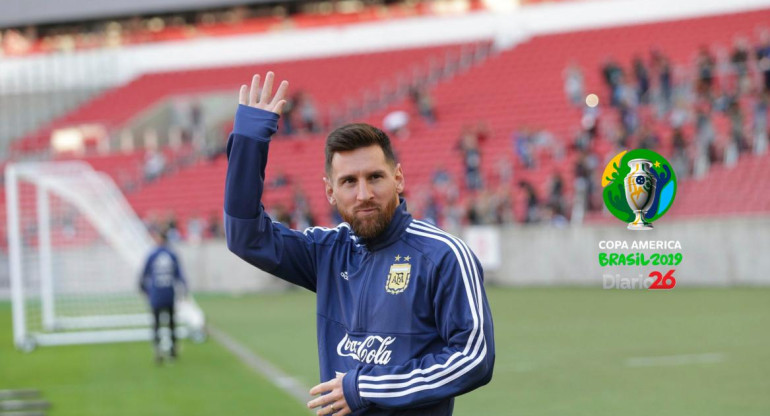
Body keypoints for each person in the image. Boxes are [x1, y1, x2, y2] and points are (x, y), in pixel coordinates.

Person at [225, 72, 494, 416]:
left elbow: (474, 359)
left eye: (375, 177)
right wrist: (248, 142)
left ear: (398, 178)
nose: (364, 194)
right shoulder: (326, 252)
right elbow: (247, 237)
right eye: (349, 181)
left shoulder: (443, 256)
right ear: (330, 191)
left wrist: (365, 387)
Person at [139, 227, 188, 363]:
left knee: (157, 323)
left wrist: (143, 290)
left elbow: (143, 275)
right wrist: (184, 290)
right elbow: (180, 275)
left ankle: (158, 351)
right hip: (168, 293)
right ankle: (172, 351)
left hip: (156, 294)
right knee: (171, 323)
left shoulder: (152, 255)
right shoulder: (172, 254)